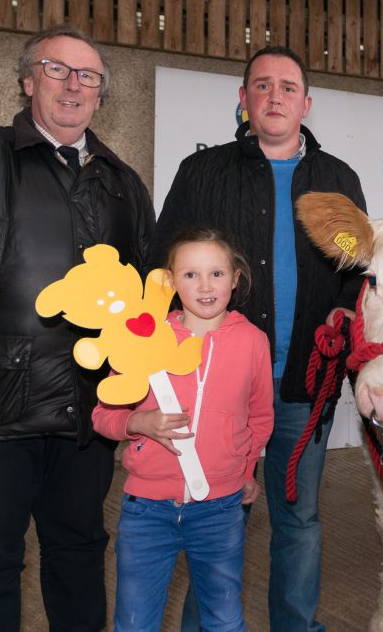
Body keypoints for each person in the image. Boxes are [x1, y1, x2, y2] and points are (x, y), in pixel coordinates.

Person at [0, 24, 154, 631]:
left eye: (89, 76)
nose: (74, 85)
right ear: (27, 82)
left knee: (78, 553)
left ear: (102, 96)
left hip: (86, 414)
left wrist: (136, 403)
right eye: (57, 69)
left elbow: (145, 300)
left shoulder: (123, 181)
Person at [149, 45, 366, 632]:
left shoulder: (339, 180)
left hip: (305, 381)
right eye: (262, 86)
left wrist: (346, 320)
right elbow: (162, 267)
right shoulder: (202, 172)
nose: (275, 96)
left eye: (288, 87)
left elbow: (359, 278)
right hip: (215, 381)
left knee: (299, 519)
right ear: (243, 100)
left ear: (307, 103)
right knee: (216, 518)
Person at [93, 228, 274, 631]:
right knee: (135, 622)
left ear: (235, 278)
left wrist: (245, 471)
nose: (205, 286)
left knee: (224, 618)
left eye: (216, 273)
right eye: (190, 275)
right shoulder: (142, 338)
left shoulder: (253, 341)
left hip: (220, 509)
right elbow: (103, 415)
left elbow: (260, 418)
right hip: (147, 510)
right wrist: (136, 422)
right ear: (171, 282)